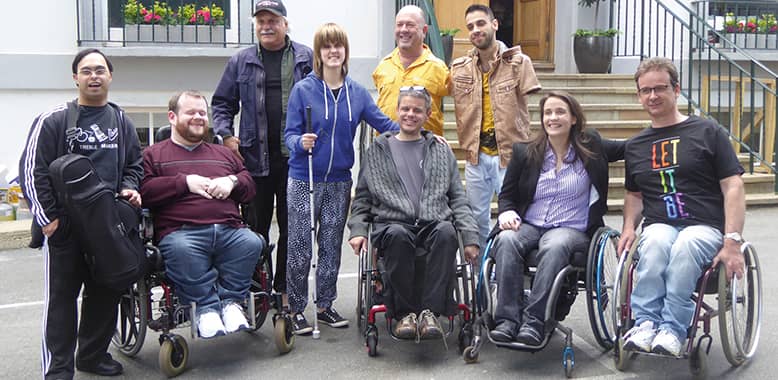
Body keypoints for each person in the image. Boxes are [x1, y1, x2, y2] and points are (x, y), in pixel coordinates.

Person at [19, 48, 142, 379]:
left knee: (105, 293)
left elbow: (135, 165)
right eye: (86, 71)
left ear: (110, 76)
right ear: (75, 77)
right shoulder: (54, 119)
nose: (94, 76)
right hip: (65, 227)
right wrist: (49, 221)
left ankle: (91, 356)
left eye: (100, 70)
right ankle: (58, 370)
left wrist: (129, 187)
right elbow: (32, 172)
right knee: (62, 301)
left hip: (107, 224)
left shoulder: (122, 121)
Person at [618, 57, 746, 357]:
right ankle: (645, 323)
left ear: (676, 90)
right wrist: (627, 227)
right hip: (660, 223)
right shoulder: (636, 146)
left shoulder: (707, 132)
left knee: (685, 246)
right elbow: (634, 194)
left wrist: (732, 241)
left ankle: (673, 329)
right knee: (655, 244)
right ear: (639, 95)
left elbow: (733, 185)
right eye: (645, 90)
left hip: (703, 225)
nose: (652, 96)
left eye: (660, 88)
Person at [284, 22, 398, 335]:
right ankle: (295, 308)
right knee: (300, 247)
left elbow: (385, 124)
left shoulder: (357, 93)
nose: (333, 51)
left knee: (331, 245)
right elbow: (289, 134)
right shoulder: (303, 90)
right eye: (327, 46)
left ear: (345, 51)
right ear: (318, 53)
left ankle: (324, 306)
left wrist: (422, 135)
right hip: (304, 177)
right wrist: (299, 142)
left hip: (339, 181)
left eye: (338, 46)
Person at [489, 91, 624, 345]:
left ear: (573, 118)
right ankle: (507, 319)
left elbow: (630, 148)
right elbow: (506, 195)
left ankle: (535, 321)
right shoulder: (526, 152)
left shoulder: (591, 146)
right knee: (506, 240)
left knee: (554, 245)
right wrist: (506, 211)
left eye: (560, 112)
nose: (553, 118)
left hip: (571, 229)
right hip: (530, 224)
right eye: (547, 113)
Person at [348, 86, 480, 340]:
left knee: (446, 232)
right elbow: (362, 198)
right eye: (405, 109)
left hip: (433, 222)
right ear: (397, 111)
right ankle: (405, 315)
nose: (410, 114)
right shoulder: (377, 150)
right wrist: (358, 230)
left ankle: (430, 313)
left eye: (417, 110)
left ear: (428, 114)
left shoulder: (441, 150)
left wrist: (470, 238)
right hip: (392, 223)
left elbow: (458, 198)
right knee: (398, 235)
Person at [211, 0, 313, 309]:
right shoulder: (240, 60)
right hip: (254, 161)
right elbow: (222, 103)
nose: (266, 26)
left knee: (292, 229)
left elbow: (321, 98)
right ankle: (256, 291)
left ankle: (284, 291)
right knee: (254, 230)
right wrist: (226, 136)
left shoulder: (305, 57)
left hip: (295, 161)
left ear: (285, 24)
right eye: (261, 21)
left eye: (273, 20)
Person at [141, 91, 265, 339]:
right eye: (191, 112)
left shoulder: (224, 154)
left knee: (251, 242)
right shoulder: (152, 155)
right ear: (172, 117)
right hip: (182, 233)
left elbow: (249, 185)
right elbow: (144, 191)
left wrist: (231, 181)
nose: (198, 117)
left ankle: (231, 303)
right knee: (183, 250)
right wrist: (184, 183)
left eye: (202, 112)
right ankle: (206, 309)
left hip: (229, 229)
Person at [451, 4, 541, 260]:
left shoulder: (519, 62)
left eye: (480, 23)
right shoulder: (459, 67)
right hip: (475, 156)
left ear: (494, 24)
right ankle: (480, 272)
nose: (475, 30)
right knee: (476, 219)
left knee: (514, 217)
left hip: (510, 156)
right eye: (470, 27)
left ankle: (508, 266)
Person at [372, 4, 450, 136]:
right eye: (399, 25)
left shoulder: (438, 68)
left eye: (410, 25)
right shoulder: (383, 66)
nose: (403, 29)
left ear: (424, 31)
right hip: (387, 145)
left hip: (425, 145)